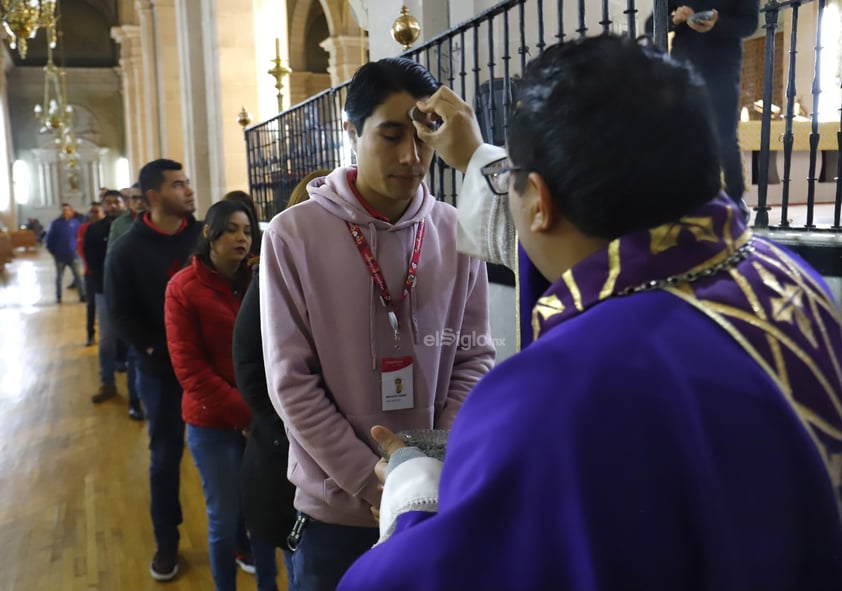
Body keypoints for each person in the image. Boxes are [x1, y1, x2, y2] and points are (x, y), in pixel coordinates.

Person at [338, 35, 842, 591]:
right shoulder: (786, 276)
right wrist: (482, 161)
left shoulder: (562, 390)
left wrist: (417, 496)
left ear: (539, 202)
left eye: (512, 183)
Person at [259, 57, 496, 591]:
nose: (412, 158)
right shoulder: (292, 235)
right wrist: (375, 482)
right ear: (351, 131)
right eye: (391, 136)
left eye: (424, 138)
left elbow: (473, 355)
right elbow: (291, 382)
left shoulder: (456, 230)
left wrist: (428, 465)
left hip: (433, 500)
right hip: (337, 511)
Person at [165, 199, 275, 591]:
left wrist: (260, 415)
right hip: (211, 422)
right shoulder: (183, 288)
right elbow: (190, 371)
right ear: (209, 233)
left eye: (247, 230)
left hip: (261, 419)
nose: (241, 238)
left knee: (263, 517)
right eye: (230, 228)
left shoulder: (262, 280)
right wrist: (246, 415)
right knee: (223, 520)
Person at [104, 159, 202, 581]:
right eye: (178, 185)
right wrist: (160, 349)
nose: (188, 190)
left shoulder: (202, 237)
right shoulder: (127, 248)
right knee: (164, 458)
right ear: (153, 197)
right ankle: (167, 542)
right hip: (160, 373)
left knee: (228, 454)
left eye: (187, 182)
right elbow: (121, 316)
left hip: (210, 368)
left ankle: (237, 536)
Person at [233, 172, 327, 591]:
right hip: (284, 445)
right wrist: (292, 424)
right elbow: (250, 364)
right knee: (294, 559)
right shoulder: (272, 272)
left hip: (333, 450)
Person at [650, 0, 759, 221]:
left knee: (725, 138)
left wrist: (717, 24)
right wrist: (674, 19)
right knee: (683, 136)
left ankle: (735, 200)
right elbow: (650, 26)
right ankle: (686, 201)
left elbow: (749, 25)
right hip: (682, 70)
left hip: (723, 70)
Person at [45, 203, 87, 304]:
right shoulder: (54, 223)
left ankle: (82, 296)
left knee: (78, 277)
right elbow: (49, 238)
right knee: (59, 277)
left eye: (67, 210)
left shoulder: (75, 222)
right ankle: (58, 297)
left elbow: (79, 237)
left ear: (71, 211)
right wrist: (52, 251)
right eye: (63, 210)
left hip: (73, 254)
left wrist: (79, 249)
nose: (65, 212)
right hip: (59, 255)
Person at [78, 202, 105, 345]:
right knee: (92, 304)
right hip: (91, 273)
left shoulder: (109, 226)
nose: (94, 214)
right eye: (91, 212)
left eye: (97, 211)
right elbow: (81, 249)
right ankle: (90, 334)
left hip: (106, 273)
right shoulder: (84, 228)